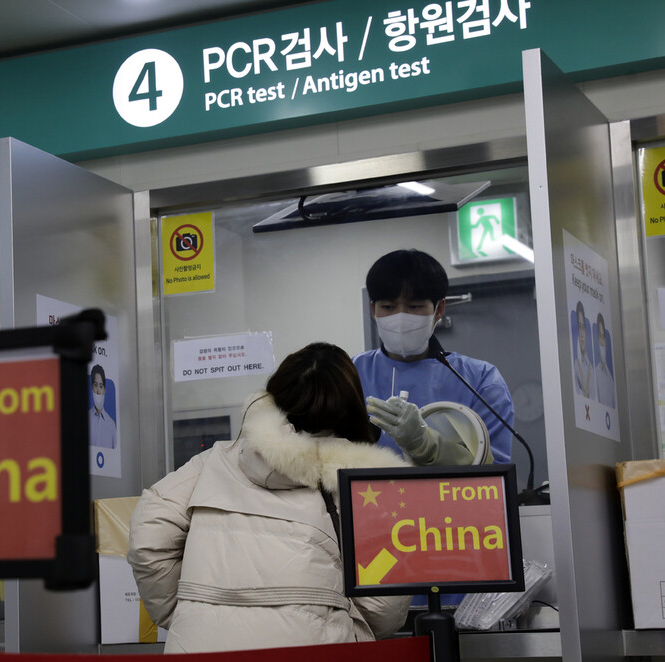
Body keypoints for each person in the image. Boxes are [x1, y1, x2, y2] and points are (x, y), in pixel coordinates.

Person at [127, 343, 412, 653]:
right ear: (350, 409)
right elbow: (384, 595)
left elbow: (148, 534)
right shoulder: (360, 483)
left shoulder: (213, 461)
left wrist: (186, 609)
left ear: (275, 397)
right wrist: (346, 627)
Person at [354, 249, 514, 467]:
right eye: (388, 307)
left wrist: (424, 442)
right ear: (373, 309)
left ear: (439, 309)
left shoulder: (480, 380)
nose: (400, 318)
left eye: (414, 307)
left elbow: (494, 473)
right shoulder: (349, 374)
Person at [89, 364, 116, 449]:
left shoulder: (111, 424)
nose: (98, 391)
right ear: (92, 387)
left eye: (101, 386)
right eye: (95, 385)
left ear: (104, 390)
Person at [573, 301, 595, 400]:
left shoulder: (591, 367)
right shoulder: (574, 365)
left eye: (583, 328)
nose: (582, 334)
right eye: (579, 328)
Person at [595, 313, 616, 408]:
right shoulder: (595, 373)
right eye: (599, 336)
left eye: (603, 337)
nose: (602, 343)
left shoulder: (610, 379)